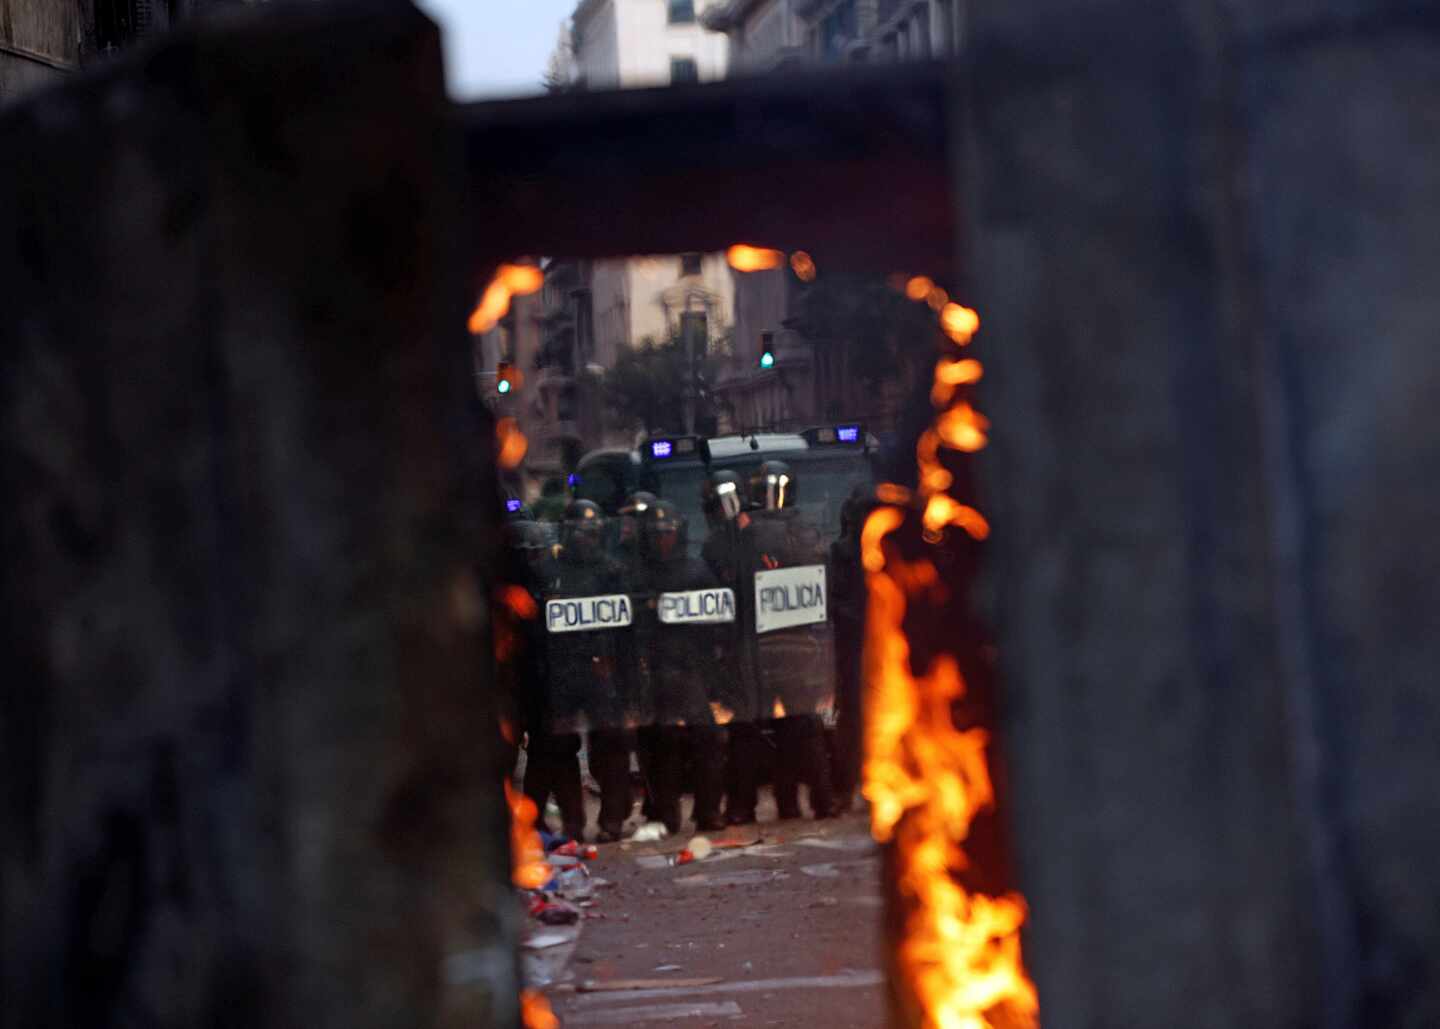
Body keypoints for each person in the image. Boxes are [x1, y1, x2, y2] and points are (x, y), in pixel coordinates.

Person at [538, 500, 637, 842]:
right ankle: (573, 824)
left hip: (601, 669)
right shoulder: (549, 571)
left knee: (611, 746)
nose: (586, 539)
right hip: (563, 671)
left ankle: (612, 819)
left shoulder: (612, 571)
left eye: (592, 533)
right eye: (580, 532)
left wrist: (627, 677)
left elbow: (627, 631)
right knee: (561, 748)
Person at [743, 460, 835, 821]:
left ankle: (788, 804)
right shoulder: (806, 532)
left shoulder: (746, 535)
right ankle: (820, 801)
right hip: (799, 648)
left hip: (763, 647)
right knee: (804, 729)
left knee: (781, 733)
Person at [635, 500, 728, 832]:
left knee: (709, 741)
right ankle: (665, 814)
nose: (664, 540)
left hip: (692, 672)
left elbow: (719, 619)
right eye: (657, 534)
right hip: (653, 674)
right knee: (662, 746)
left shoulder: (697, 571)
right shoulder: (636, 574)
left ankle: (707, 811)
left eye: (669, 533)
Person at [702, 469, 764, 825]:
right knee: (743, 730)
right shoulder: (720, 545)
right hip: (740, 646)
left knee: (744, 730)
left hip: (751, 646)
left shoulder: (747, 539)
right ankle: (743, 803)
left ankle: (744, 804)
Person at [827, 485, 872, 811]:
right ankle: (846, 788)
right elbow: (833, 601)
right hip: (855, 646)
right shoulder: (841, 554)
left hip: (876, 645)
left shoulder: (887, 548)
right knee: (852, 723)